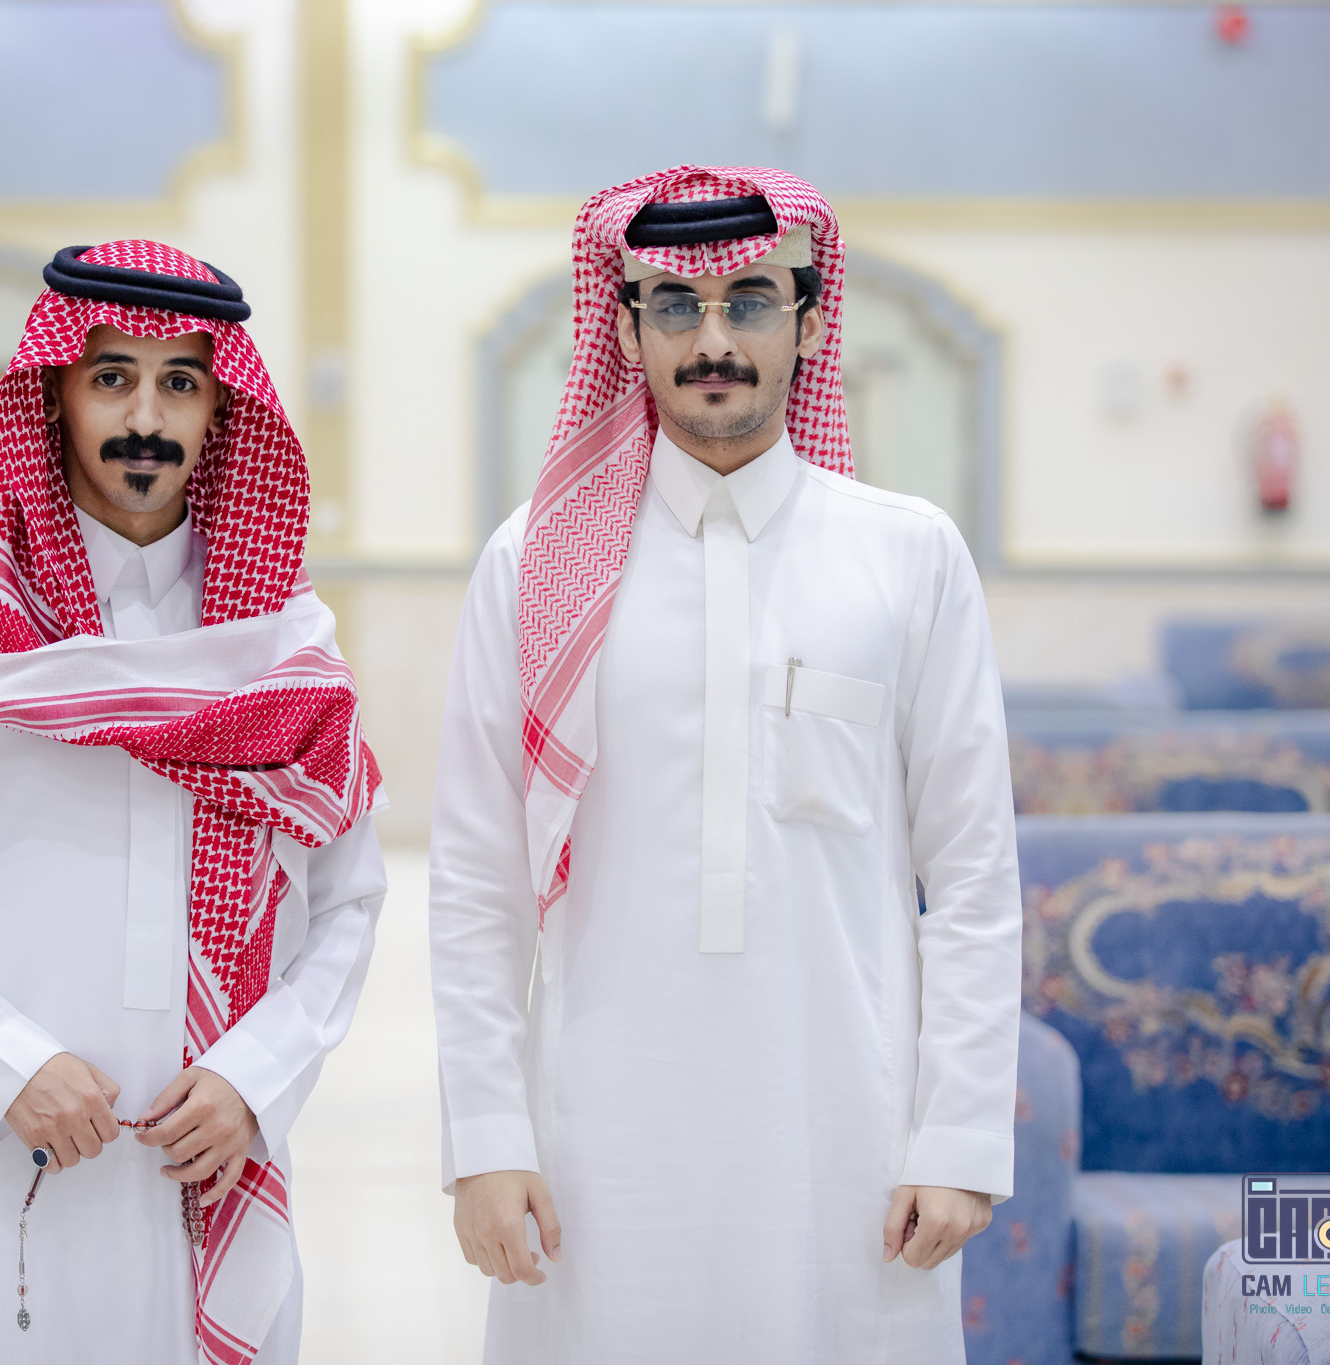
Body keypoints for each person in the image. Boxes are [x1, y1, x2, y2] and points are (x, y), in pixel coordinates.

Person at [427, 165, 1022, 1363]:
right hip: (596, 1141)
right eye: (675, 306)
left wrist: (956, 1139)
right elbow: (476, 881)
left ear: (810, 321)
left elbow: (971, 877)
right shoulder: (534, 564)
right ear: (626, 329)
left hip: (845, 1134)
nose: (711, 341)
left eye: (748, 301)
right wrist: (485, 1137)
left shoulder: (906, 556)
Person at [0, 241, 387, 1364]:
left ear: (221, 409)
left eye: (181, 382)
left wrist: (256, 1077)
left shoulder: (280, 651)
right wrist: (0, 1064)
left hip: (208, 1163)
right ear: (55, 394)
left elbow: (348, 901)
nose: (146, 419)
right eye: (112, 377)